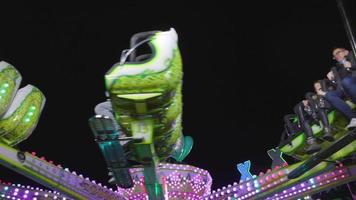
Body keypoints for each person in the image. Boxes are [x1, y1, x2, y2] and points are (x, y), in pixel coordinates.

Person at [319, 48, 356, 130]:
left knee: (346, 81)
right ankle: (353, 118)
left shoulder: (352, 55)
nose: (336, 56)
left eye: (338, 53)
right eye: (334, 55)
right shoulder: (337, 69)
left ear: (345, 51)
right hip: (346, 89)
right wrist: (332, 79)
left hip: (353, 81)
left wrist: (352, 65)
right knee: (329, 95)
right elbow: (338, 85)